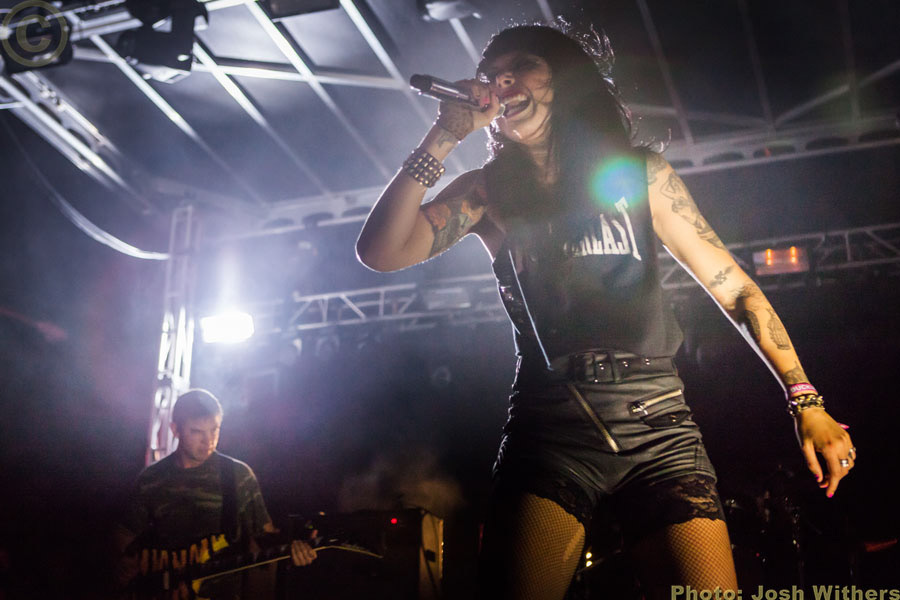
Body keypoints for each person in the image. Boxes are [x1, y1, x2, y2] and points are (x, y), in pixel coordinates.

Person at [356, 22, 856, 600]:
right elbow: (381, 251)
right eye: (493, 73)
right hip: (552, 426)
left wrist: (805, 398)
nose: (502, 80)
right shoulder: (487, 191)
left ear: (564, 79)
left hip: (659, 423)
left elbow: (737, 290)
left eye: (521, 66)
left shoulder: (640, 173)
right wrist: (443, 137)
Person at [114, 389, 316, 599]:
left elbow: (264, 536)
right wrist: (127, 568)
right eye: (197, 432)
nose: (208, 440)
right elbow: (125, 534)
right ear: (175, 430)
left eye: (214, 430)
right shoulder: (151, 478)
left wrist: (293, 549)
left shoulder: (238, 476)